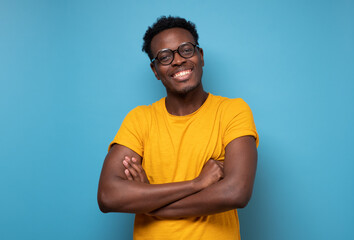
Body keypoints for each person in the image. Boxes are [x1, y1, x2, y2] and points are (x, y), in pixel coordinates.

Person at [97, 16, 259, 240]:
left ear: (200, 56)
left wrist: (150, 202)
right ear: (155, 70)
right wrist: (197, 184)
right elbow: (108, 195)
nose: (177, 61)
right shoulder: (140, 119)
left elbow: (236, 193)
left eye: (185, 49)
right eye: (165, 56)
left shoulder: (232, 111)